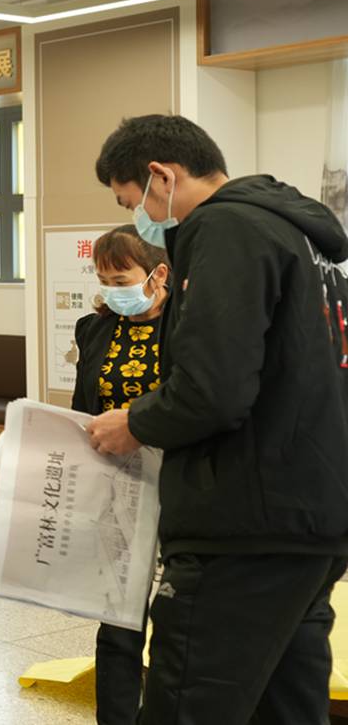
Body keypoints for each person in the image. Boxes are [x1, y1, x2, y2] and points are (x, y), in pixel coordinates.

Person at [86, 114, 348, 724]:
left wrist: (136, 422)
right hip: (310, 517)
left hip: (243, 527)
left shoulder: (223, 227)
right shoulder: (301, 235)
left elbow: (213, 389)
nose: (141, 218)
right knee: (286, 706)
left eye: (130, 201)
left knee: (187, 705)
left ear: (161, 176)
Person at [71, 225, 170, 724]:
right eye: (104, 280)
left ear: (158, 275)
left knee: (176, 619)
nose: (113, 290)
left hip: (180, 484)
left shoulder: (187, 327)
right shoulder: (94, 329)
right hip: (117, 486)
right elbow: (82, 407)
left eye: (122, 279)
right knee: (118, 620)